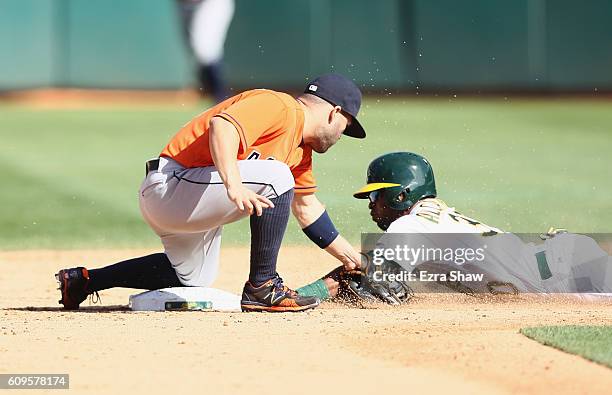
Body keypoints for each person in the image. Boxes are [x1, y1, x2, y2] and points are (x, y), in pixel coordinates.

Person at [56, 73, 366, 312]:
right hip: (170, 184)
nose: (342, 136)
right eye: (345, 126)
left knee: (193, 278)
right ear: (333, 112)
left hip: (189, 203)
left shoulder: (300, 153)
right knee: (276, 175)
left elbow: (307, 208)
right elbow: (223, 126)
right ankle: (263, 285)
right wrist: (233, 184)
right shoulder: (280, 107)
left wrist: (354, 259)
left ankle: (84, 281)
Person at [296, 152, 612, 302]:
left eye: (377, 194)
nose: (371, 204)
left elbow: (372, 279)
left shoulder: (411, 225)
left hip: (564, 274)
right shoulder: (431, 219)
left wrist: (305, 295)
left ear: (400, 194)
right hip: (562, 259)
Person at [176, 0, 235, 102]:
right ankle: (211, 93)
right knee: (197, 52)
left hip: (211, 3)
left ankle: (222, 96)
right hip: (185, 5)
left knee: (205, 49)